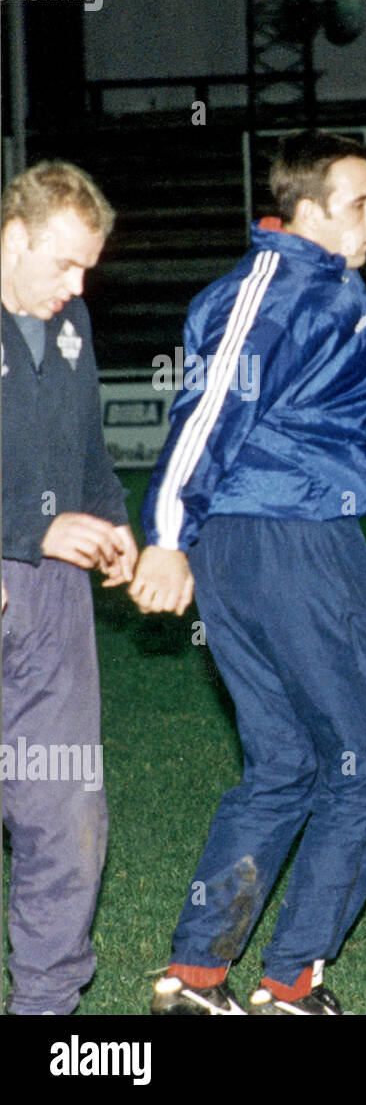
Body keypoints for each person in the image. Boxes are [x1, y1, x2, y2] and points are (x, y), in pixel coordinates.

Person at [130, 130, 366, 1014]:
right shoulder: (270, 289)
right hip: (290, 541)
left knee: (287, 761)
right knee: (364, 763)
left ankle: (196, 974)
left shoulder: (341, 292)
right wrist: (167, 534)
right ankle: (292, 982)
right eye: (361, 202)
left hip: (272, 543)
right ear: (308, 209)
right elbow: (206, 410)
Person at [1, 161, 136, 1016]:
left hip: (52, 600)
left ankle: (45, 1014)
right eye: (64, 264)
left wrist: (112, 523)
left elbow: (86, 449)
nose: (79, 285)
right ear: (13, 238)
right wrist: (24, 531)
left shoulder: (72, 321)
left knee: (66, 812)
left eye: (89, 267)